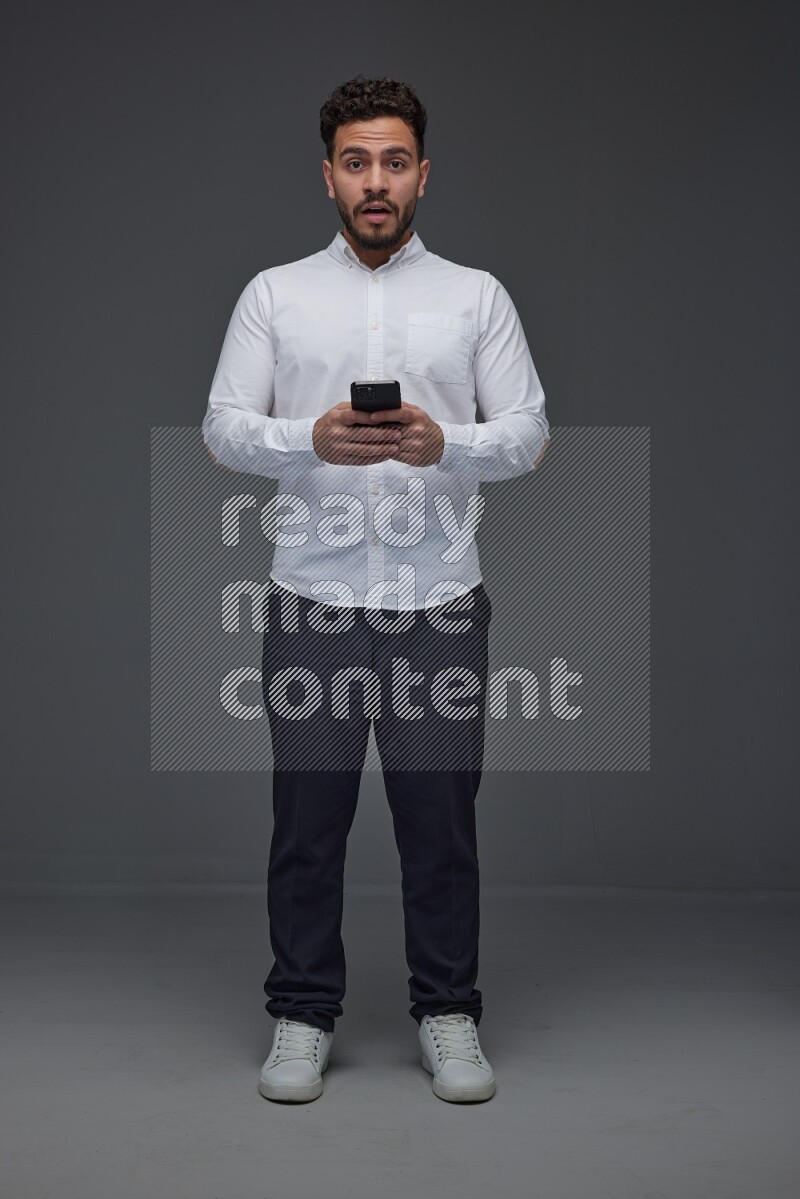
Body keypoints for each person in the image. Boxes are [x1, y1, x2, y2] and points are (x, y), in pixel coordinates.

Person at [202, 75, 550, 1104]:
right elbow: (223, 427)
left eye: (394, 162)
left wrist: (452, 443)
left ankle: (447, 1011)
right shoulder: (274, 295)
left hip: (437, 602)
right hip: (310, 601)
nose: (375, 181)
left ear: (422, 175)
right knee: (307, 823)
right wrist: (304, 437)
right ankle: (302, 1013)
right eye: (356, 162)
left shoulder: (475, 297)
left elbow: (528, 432)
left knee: (438, 822)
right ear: (328, 177)